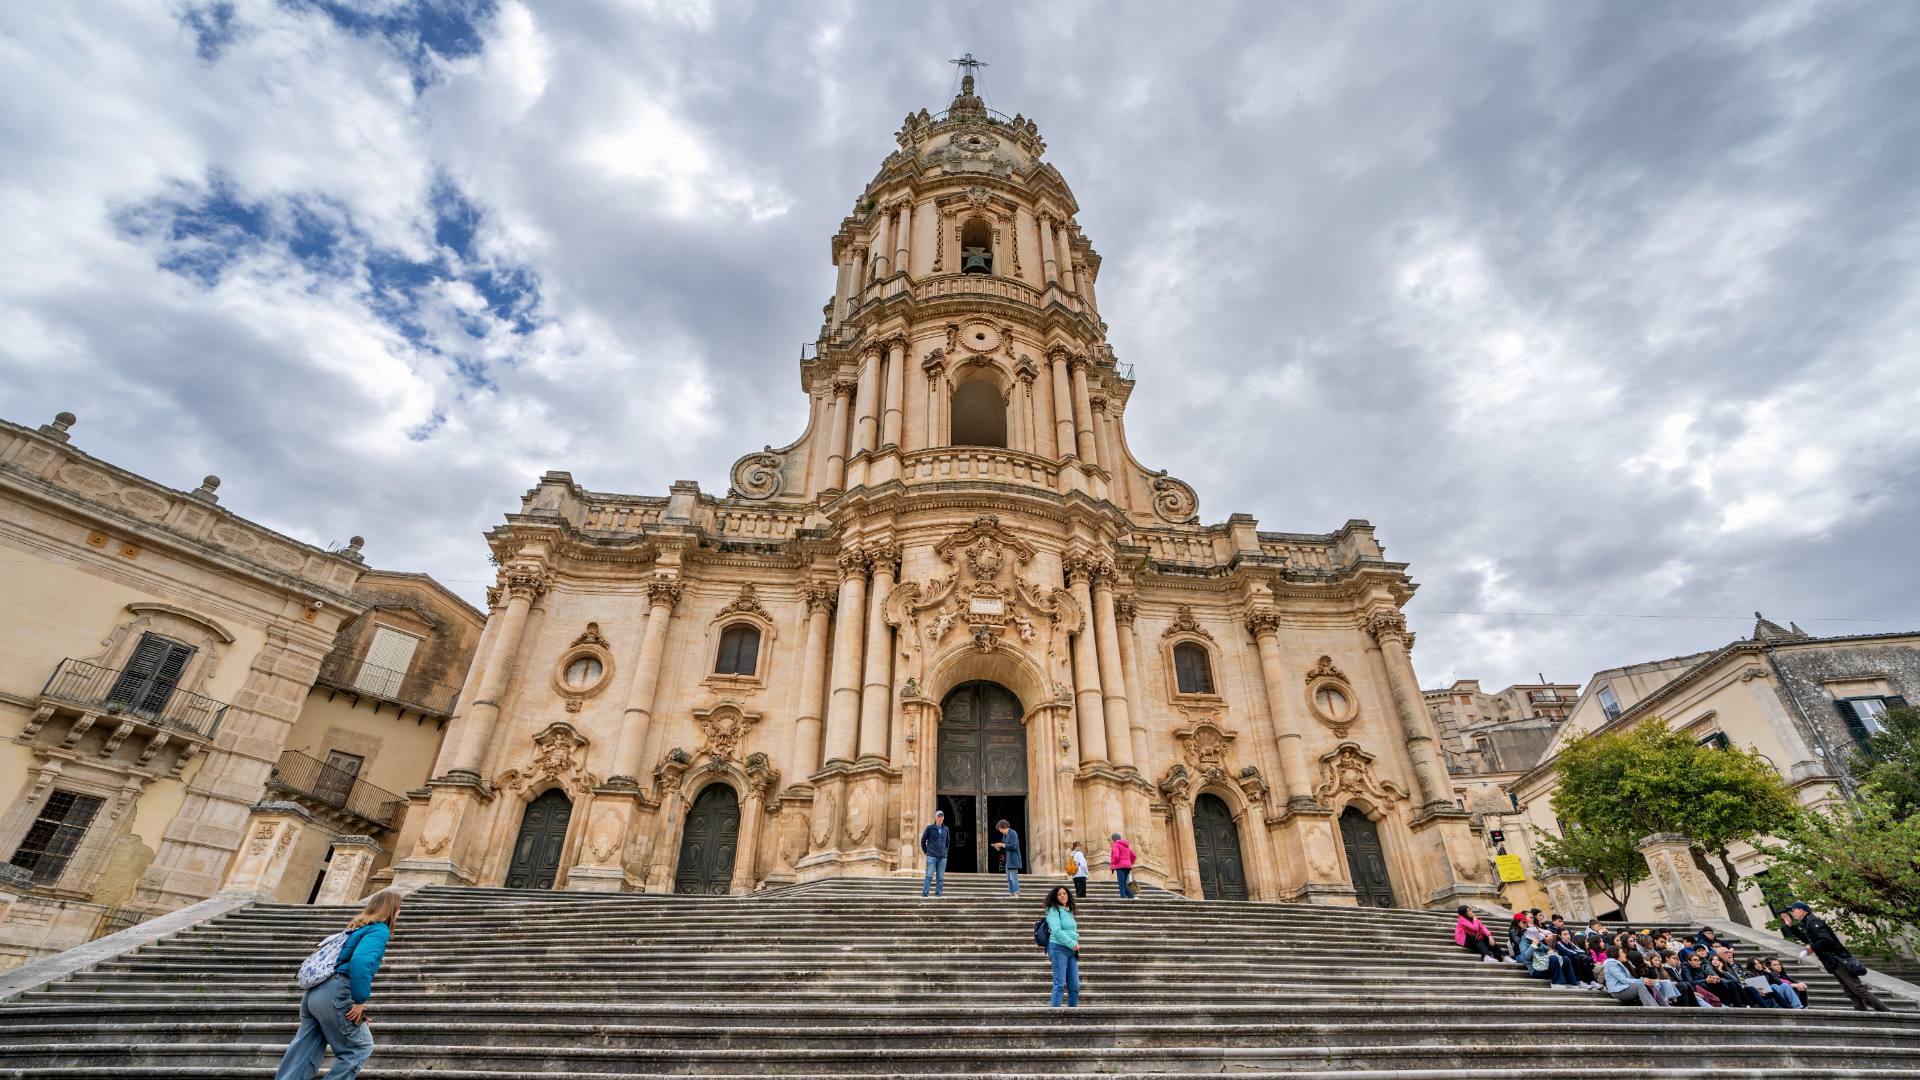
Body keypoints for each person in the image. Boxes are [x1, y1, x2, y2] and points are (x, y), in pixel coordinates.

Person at [275, 889, 401, 1080]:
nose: (400, 912)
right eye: (399, 908)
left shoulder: (357, 928)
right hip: (337, 991)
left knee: (304, 1048)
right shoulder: (379, 930)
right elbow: (360, 963)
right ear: (392, 909)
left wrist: (355, 1011)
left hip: (316, 992)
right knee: (360, 1048)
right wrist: (359, 1001)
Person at [1781, 900, 1890, 1012]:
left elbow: (1826, 940)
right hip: (1834, 962)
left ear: (1801, 910)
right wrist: (1790, 926)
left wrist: (1812, 948)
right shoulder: (1808, 922)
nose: (1793, 913)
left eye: (1793, 910)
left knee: (1858, 990)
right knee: (1851, 992)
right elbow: (1809, 940)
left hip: (1838, 960)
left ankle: (1887, 1013)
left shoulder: (1812, 921)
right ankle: (1863, 1015)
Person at [1043, 885, 1081, 1007]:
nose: (1062, 896)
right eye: (1059, 894)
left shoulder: (1069, 911)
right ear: (1055, 897)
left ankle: (1072, 1014)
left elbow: (1071, 930)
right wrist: (1072, 943)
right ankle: (1055, 1015)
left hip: (1071, 951)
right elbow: (1056, 931)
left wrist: (1075, 940)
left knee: (1074, 986)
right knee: (1059, 984)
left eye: (1064, 893)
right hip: (1058, 948)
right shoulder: (1053, 910)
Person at [919, 810, 950, 898]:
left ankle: (938, 894)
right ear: (935, 817)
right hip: (931, 856)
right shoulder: (930, 828)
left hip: (942, 857)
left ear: (943, 818)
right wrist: (927, 852)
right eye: (938, 816)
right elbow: (923, 841)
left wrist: (944, 851)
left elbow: (948, 842)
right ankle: (925, 893)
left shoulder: (946, 829)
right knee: (929, 875)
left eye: (942, 816)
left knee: (940, 877)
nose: (940, 818)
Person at [991, 819, 1022, 896]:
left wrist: (1002, 845)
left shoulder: (1013, 833)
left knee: (1013, 878)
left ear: (1003, 827)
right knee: (1008, 879)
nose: (1000, 831)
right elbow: (1004, 849)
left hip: (1013, 860)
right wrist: (997, 847)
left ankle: (1016, 894)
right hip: (1007, 860)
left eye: (1000, 829)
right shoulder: (1004, 835)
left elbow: (1014, 846)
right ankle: (1011, 894)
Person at [1109, 833, 1136, 899]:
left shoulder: (1115, 845)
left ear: (1113, 839)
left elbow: (1116, 856)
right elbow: (1134, 856)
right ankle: (1131, 896)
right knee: (1124, 883)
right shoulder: (1126, 846)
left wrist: (1113, 863)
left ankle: (1123, 898)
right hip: (1127, 867)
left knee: (1121, 883)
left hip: (1120, 867)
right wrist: (1130, 863)